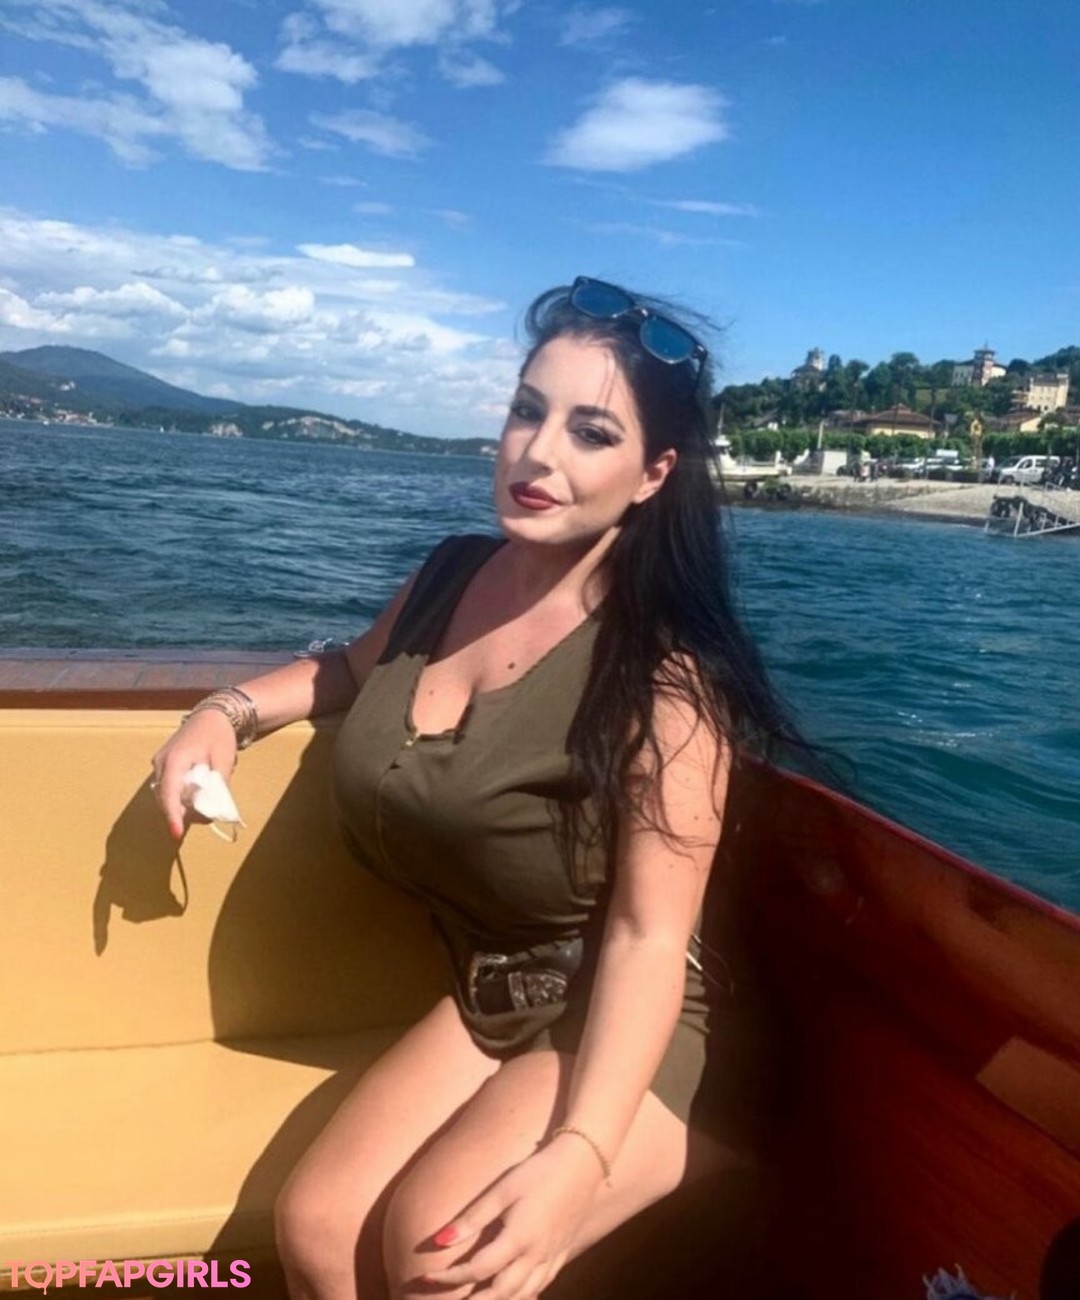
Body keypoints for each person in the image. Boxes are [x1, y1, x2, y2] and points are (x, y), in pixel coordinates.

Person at [150, 276, 800, 1300]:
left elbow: (646, 939)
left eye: (591, 432)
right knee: (316, 1230)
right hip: (505, 987)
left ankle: (696, 1159)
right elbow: (353, 670)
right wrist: (224, 714)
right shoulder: (453, 575)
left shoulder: (666, 682)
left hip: (645, 1019)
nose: (537, 453)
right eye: (526, 411)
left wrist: (581, 1152)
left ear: (653, 474)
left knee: (437, 1250)